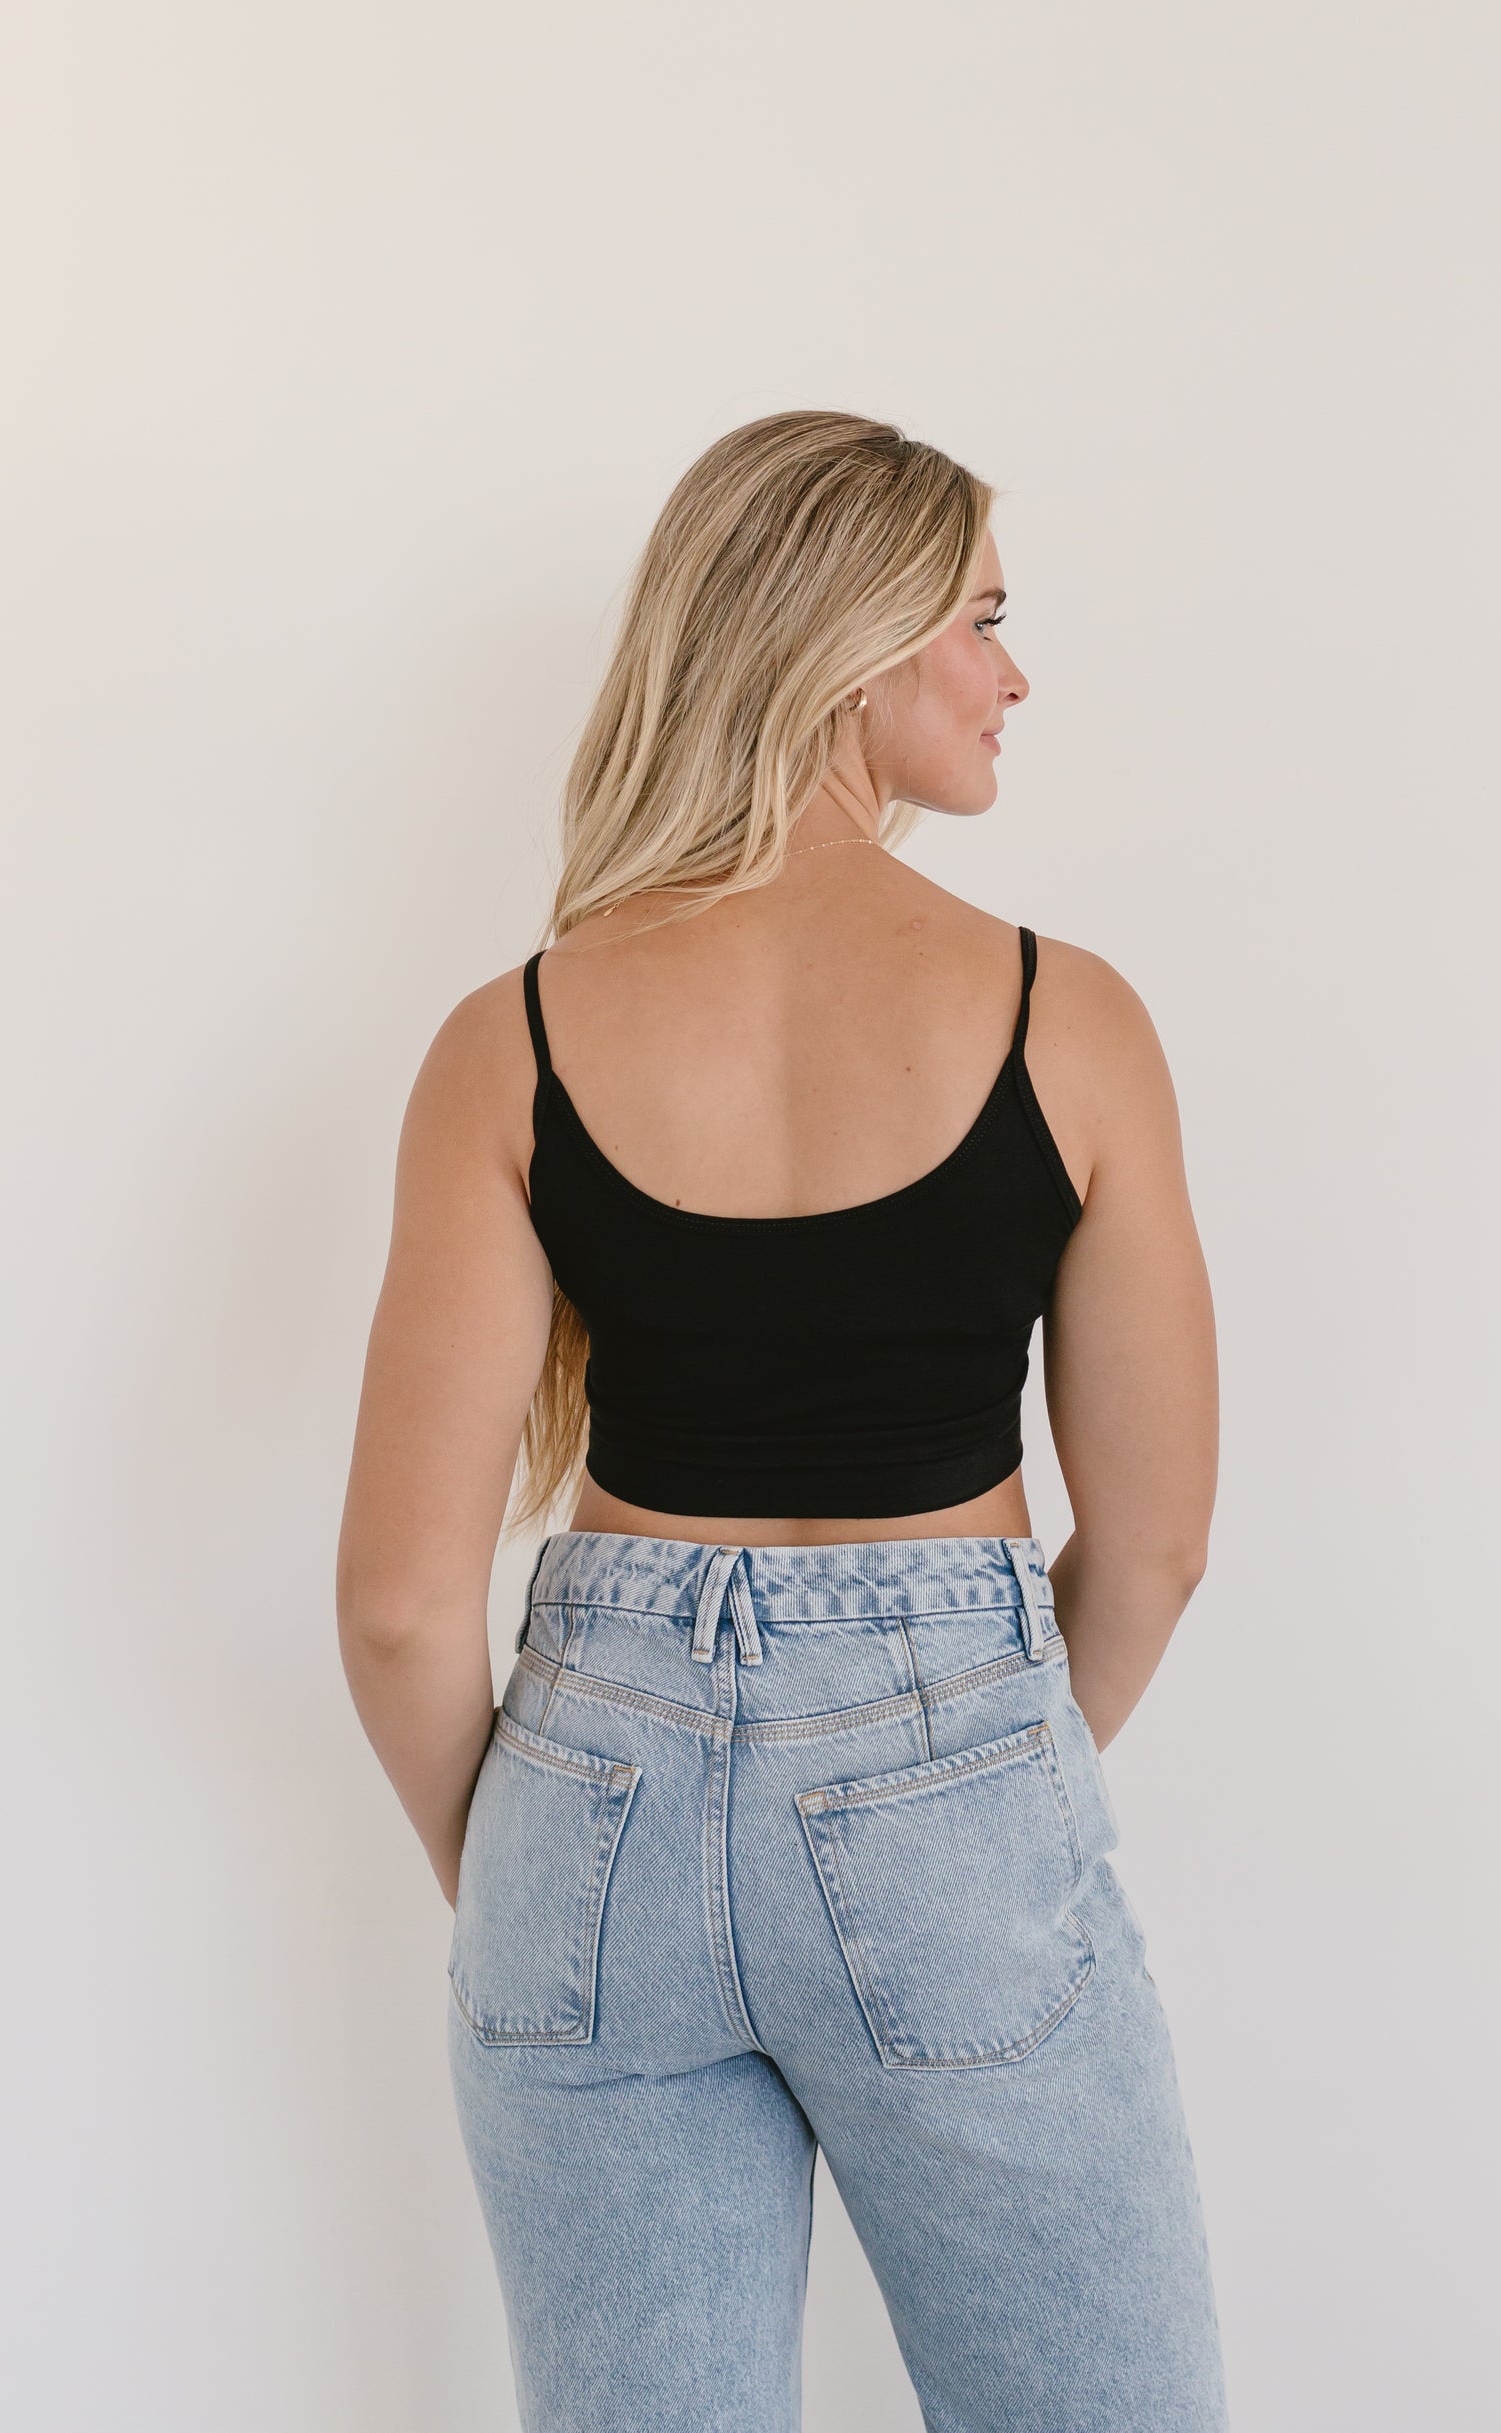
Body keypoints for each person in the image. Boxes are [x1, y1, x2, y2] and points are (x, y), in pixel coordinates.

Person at [336, 409, 1228, 2431]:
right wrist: (963, 1784)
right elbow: (1154, 1541)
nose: (1014, 676)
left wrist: (542, 1870)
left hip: (587, 1811)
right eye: (980, 622)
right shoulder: (1059, 1020)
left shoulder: (517, 1035)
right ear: (852, 640)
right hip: (954, 1794)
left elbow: (399, 1604)